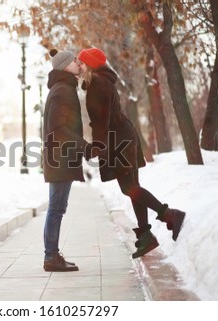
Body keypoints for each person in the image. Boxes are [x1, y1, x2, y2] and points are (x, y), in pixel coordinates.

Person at [77, 47, 185, 258]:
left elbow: (101, 119)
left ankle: (170, 215)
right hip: (122, 136)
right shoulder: (101, 82)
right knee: (132, 187)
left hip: (119, 140)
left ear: (89, 65)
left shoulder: (98, 83)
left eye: (81, 62)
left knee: (129, 188)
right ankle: (146, 237)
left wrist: (97, 146)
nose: (79, 66)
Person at [42, 49, 91, 272]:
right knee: (56, 208)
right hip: (61, 158)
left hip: (60, 157)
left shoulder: (62, 88)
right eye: (74, 61)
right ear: (64, 66)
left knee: (57, 207)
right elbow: (58, 128)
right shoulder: (63, 90)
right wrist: (84, 146)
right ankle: (51, 257)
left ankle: (52, 255)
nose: (78, 63)